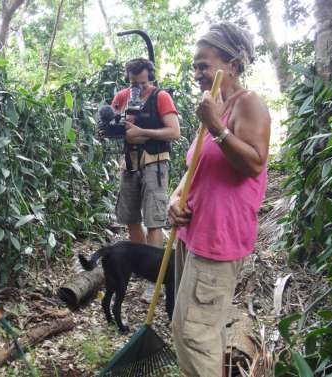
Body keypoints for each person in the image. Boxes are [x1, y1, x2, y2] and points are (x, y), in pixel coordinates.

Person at [168, 22, 270, 376]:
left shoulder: (248, 105)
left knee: (193, 334)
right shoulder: (214, 106)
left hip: (218, 239)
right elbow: (197, 166)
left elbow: (254, 165)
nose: (197, 73)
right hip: (192, 234)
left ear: (235, 66)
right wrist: (176, 196)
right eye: (195, 66)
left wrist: (217, 126)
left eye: (204, 65)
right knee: (189, 328)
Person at [111, 58, 180, 301]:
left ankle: (155, 278)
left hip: (155, 163)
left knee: (154, 220)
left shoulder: (161, 97)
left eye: (141, 82)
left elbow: (174, 131)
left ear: (149, 77)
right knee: (130, 217)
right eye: (133, 83)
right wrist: (110, 128)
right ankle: (140, 265)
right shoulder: (121, 96)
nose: (137, 87)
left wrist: (143, 133)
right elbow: (114, 126)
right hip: (129, 163)